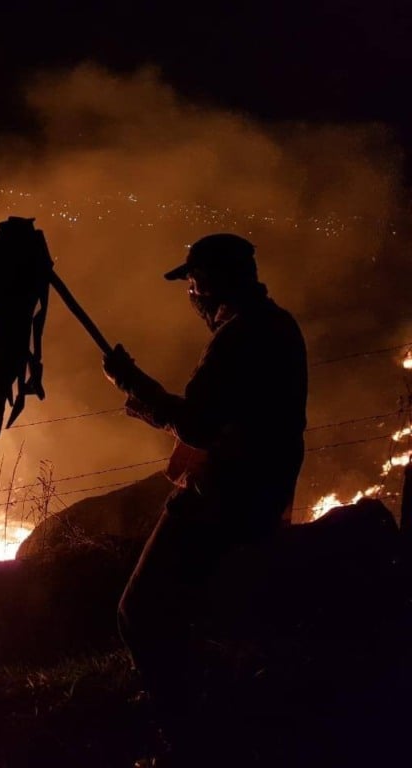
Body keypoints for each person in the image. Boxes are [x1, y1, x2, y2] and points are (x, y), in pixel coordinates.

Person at [102, 233, 307, 747]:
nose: (190, 293)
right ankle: (187, 700)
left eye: (192, 281)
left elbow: (196, 423)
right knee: (191, 609)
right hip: (266, 489)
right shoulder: (280, 324)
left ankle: (184, 735)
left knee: (139, 611)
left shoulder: (238, 336)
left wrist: (133, 385)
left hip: (225, 496)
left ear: (212, 283)